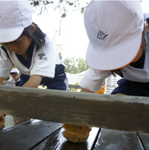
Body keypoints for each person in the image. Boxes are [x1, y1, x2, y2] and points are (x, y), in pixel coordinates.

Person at [63, 0, 149, 143]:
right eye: (110, 57)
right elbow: (88, 87)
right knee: (115, 109)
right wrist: (77, 118)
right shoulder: (104, 44)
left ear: (145, 29)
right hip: (133, 86)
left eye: (122, 53)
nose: (117, 62)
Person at [0, 0, 67, 124]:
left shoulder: (45, 43)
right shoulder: (5, 49)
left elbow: (35, 82)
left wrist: (3, 107)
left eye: (17, 41)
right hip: (27, 73)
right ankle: (22, 130)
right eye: (5, 42)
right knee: (19, 110)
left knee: (60, 107)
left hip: (54, 74)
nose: (12, 48)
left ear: (31, 29)